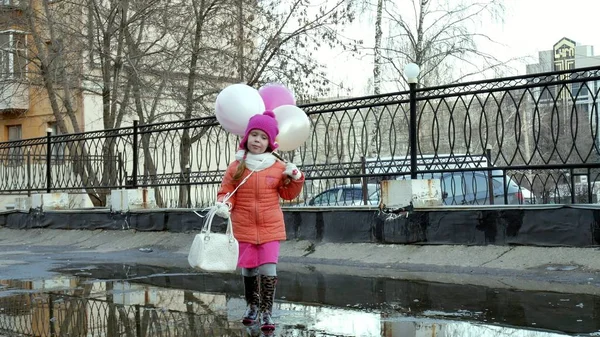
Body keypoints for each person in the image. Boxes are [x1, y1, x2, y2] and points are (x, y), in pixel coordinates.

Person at [214, 111, 305, 331]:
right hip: (243, 225)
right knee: (248, 269)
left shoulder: (276, 166)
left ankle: (266, 312)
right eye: (254, 135)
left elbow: (288, 194)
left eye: (263, 137)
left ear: (270, 142)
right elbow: (227, 191)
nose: (258, 140)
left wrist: (296, 178)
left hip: (270, 227)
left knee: (268, 269)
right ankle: (252, 306)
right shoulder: (236, 166)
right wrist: (224, 203)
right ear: (247, 138)